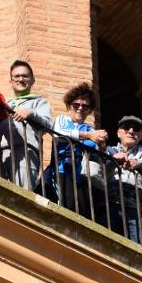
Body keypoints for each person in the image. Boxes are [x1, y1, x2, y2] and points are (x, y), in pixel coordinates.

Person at [52, 83, 109, 217]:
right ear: (69, 106)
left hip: (83, 175)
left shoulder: (91, 129)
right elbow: (58, 133)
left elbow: (100, 155)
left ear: (89, 110)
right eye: (76, 105)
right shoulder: (62, 119)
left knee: (82, 212)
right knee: (66, 208)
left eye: (85, 106)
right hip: (62, 170)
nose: (80, 108)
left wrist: (102, 145)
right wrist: (89, 136)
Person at [0, 60, 52, 193]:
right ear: (11, 81)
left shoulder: (39, 102)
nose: (20, 79)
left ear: (33, 80)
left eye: (25, 76)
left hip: (26, 152)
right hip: (1, 153)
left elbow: (48, 125)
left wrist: (31, 113)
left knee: (22, 194)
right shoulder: (5, 104)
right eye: (16, 76)